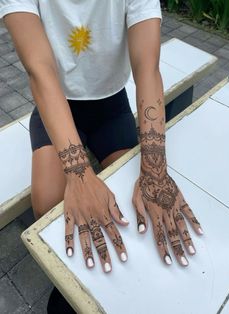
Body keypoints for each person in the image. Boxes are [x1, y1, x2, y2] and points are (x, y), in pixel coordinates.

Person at [1, 0, 204, 312]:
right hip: (55, 107)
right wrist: (80, 175)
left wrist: (155, 170)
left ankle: (118, 288)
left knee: (133, 209)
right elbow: (39, 69)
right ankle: (68, 288)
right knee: (50, 209)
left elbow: (147, 67)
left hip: (111, 108)